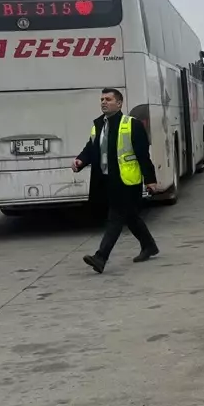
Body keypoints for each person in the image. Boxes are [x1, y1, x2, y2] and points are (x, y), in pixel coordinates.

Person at [73, 88, 163, 274]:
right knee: (130, 216)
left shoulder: (132, 124)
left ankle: (101, 257)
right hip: (107, 179)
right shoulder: (98, 125)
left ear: (119, 103)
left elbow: (142, 155)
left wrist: (150, 179)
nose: (104, 102)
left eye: (108, 99)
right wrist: (80, 161)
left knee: (115, 218)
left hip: (127, 180)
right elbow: (91, 148)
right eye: (102, 99)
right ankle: (149, 246)